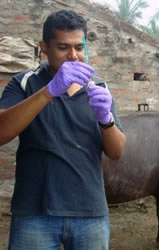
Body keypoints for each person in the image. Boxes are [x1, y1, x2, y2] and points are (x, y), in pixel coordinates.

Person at [0, 10, 126, 249]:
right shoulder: (24, 83)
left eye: (79, 47)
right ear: (44, 47)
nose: (73, 56)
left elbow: (117, 152)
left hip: (91, 212)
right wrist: (49, 91)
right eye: (62, 47)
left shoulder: (99, 87)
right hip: (34, 213)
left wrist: (105, 119)